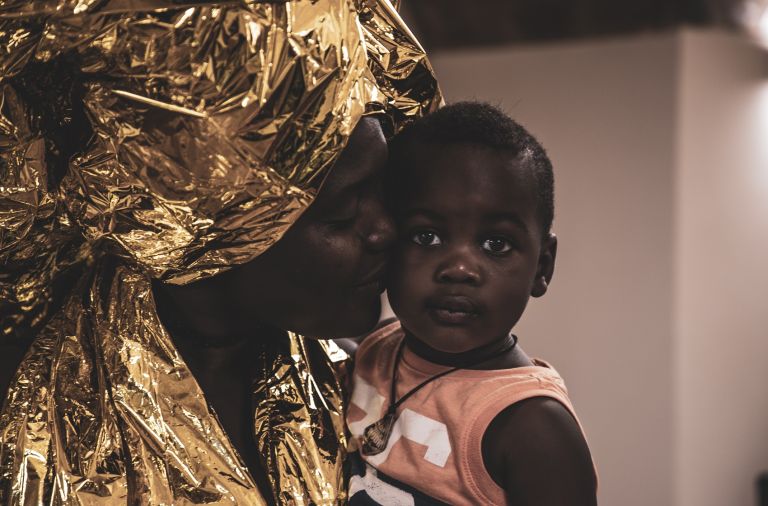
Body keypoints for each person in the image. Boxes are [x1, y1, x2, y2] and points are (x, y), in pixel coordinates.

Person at [0, 1, 441, 504]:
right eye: (341, 215)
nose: (386, 230)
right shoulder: (31, 413)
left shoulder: (370, 391)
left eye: (385, 192)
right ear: (213, 231)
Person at [346, 102, 598, 505]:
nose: (460, 268)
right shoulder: (374, 350)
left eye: (496, 244)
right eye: (426, 236)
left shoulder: (531, 426)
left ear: (541, 268)